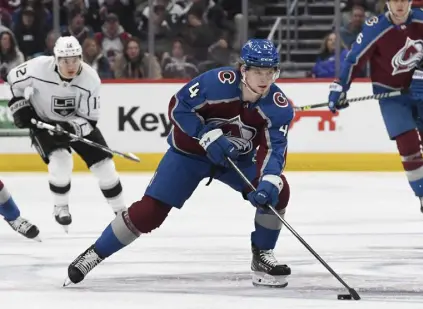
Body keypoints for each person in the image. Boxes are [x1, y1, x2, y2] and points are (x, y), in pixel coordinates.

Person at [64, 39, 294, 288]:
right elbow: (178, 107)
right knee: (149, 212)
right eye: (258, 71)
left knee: (278, 190)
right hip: (189, 155)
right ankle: (95, 253)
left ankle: (262, 256)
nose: (264, 78)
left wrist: (269, 180)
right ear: (243, 69)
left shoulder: (279, 106)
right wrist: (204, 134)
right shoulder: (216, 82)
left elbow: (274, 149)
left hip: (235, 160)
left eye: (270, 72)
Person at [6, 36, 126, 232]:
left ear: (80, 57)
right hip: (43, 122)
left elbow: (90, 120)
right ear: (56, 59)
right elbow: (12, 79)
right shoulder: (37, 68)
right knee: (61, 161)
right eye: (64, 60)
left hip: (78, 122)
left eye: (75, 59)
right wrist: (19, 105)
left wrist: (71, 128)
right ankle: (60, 206)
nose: (70, 65)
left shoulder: (90, 79)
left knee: (105, 166)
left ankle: (121, 211)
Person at [327, 0, 423, 211]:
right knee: (408, 145)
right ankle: (422, 193)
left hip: (421, 89)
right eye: (394, 0)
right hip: (391, 94)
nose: (399, 5)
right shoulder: (375, 28)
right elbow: (354, 59)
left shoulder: (420, 19)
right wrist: (340, 87)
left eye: (403, 0)